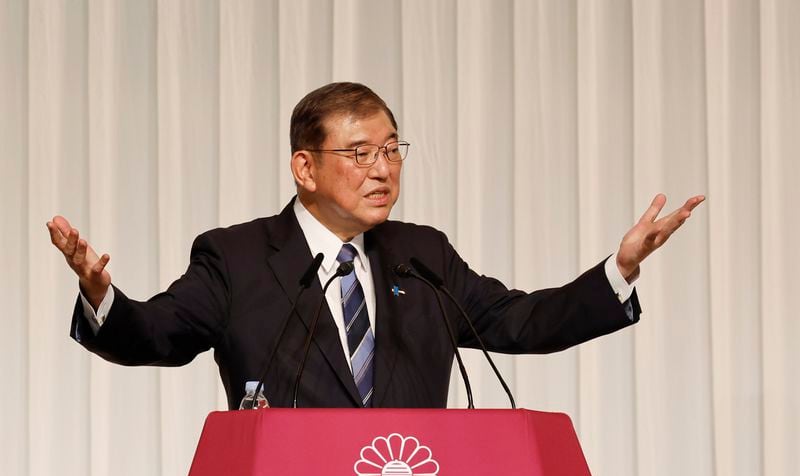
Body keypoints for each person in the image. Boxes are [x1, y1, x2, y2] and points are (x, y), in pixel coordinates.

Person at [47, 82, 704, 411]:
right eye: (359, 154)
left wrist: (620, 269)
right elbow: (156, 335)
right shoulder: (237, 258)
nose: (384, 169)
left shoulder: (423, 255)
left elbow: (520, 322)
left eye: (392, 150)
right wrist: (102, 295)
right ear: (305, 168)